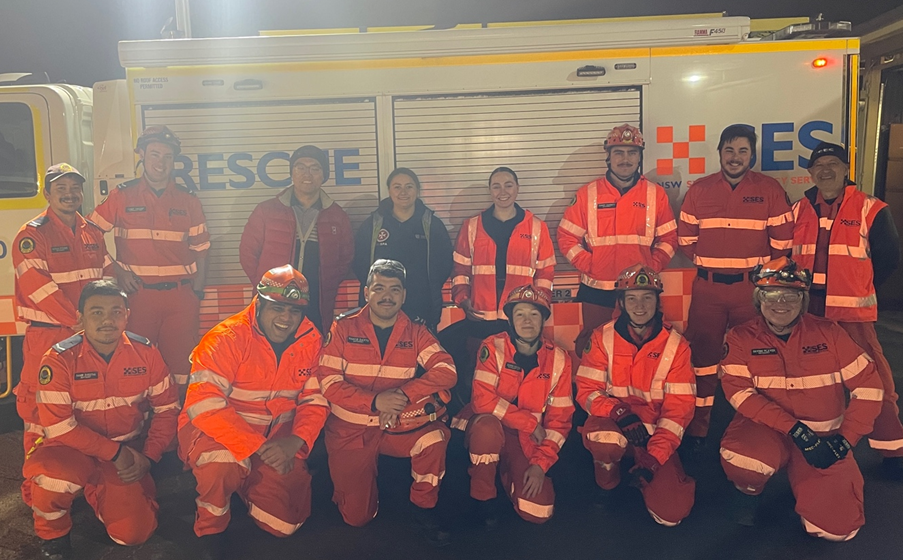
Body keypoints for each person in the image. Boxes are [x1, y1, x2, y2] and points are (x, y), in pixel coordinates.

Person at [720, 257, 883, 541]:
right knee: (746, 461)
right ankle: (748, 493)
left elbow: (869, 387)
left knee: (839, 530)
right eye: (771, 294)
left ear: (803, 299)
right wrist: (795, 429)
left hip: (825, 438)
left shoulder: (829, 333)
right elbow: (739, 394)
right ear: (759, 299)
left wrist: (845, 440)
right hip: (769, 431)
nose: (780, 303)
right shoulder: (739, 338)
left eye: (790, 295)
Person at [179, 265, 328, 558]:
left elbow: (315, 400)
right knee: (219, 465)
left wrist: (296, 442)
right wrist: (257, 448)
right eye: (278, 308)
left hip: (278, 438)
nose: (286, 318)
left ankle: (246, 483)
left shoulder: (312, 340)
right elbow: (204, 405)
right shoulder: (225, 338)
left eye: (294, 311)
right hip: (217, 434)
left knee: (285, 525)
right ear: (258, 302)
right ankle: (211, 526)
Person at [25, 280, 179, 559]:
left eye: (116, 311)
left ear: (127, 315)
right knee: (51, 478)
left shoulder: (148, 354)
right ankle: (53, 535)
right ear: (80, 318)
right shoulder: (59, 359)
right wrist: (116, 453)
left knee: (134, 534)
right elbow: (59, 427)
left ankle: (100, 491)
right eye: (96, 312)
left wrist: (150, 457)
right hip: (70, 450)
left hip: (126, 450)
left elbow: (167, 409)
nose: (107, 319)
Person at [317, 259, 456, 546]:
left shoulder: (416, 330)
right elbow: (328, 383)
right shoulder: (343, 327)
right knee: (357, 518)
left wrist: (405, 395)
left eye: (394, 289)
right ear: (366, 292)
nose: (387, 296)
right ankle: (360, 487)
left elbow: (447, 371)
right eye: (379, 288)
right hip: (350, 432)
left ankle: (424, 506)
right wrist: (375, 401)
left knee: (434, 438)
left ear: (403, 295)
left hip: (396, 425)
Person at [677, 124, 794, 451]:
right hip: (708, 291)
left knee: (758, 357)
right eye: (729, 150)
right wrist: (713, 262)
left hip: (751, 293)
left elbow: (783, 246)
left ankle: (757, 425)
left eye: (743, 150)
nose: (735, 157)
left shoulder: (770, 190)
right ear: (719, 153)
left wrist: (758, 277)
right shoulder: (699, 190)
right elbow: (686, 241)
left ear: (752, 155)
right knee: (702, 358)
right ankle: (699, 427)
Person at [792, 142, 903, 478]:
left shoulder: (871, 208)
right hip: (808, 314)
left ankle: (893, 450)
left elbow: (888, 259)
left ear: (845, 170)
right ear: (810, 173)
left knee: (875, 383)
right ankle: (813, 444)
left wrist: (859, 286)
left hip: (853, 317)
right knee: (811, 382)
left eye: (833, 164)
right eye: (819, 165)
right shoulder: (798, 210)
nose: (825, 171)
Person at [88, 125, 210, 393]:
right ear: (141, 154)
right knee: (137, 365)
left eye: (167, 157)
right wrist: (117, 271)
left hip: (181, 298)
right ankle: (141, 428)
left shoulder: (188, 200)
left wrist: (197, 290)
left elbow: (201, 248)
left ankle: (178, 428)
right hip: (137, 298)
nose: (161, 163)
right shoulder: (122, 195)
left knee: (182, 368)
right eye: (154, 154)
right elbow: (88, 236)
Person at [576, 265, 696, 526]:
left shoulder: (677, 346)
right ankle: (607, 485)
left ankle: (644, 473)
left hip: (654, 436)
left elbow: (679, 411)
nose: (639, 306)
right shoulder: (600, 339)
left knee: (673, 514)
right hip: (614, 426)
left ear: (657, 301)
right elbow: (586, 391)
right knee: (603, 439)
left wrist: (654, 458)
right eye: (631, 298)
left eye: (647, 297)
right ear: (620, 302)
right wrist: (618, 412)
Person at [12, 164, 113, 467]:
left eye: (74, 188)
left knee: (83, 401)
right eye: (61, 189)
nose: (69, 195)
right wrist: (81, 321)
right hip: (50, 334)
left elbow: (106, 276)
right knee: (38, 407)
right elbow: (38, 286)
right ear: (47, 194)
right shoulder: (31, 234)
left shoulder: (92, 232)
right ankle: (38, 481)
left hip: (86, 333)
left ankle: (86, 470)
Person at [454, 285, 573, 526]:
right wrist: (529, 422)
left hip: (526, 440)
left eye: (534, 314)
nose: (527, 321)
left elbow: (559, 421)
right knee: (487, 429)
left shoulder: (559, 358)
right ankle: (483, 497)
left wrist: (540, 465)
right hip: (486, 427)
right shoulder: (493, 346)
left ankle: (506, 473)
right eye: (520, 314)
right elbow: (482, 400)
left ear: (543, 320)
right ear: (510, 319)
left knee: (539, 511)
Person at [558, 124, 678, 357]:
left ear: (640, 156)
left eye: (632, 153)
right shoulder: (587, 194)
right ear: (608, 156)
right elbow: (566, 236)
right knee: (592, 348)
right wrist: (590, 264)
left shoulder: (655, 194)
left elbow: (669, 238)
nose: (626, 159)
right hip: (597, 289)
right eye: (619, 153)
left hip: (640, 289)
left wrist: (651, 267)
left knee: (639, 348)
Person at [442, 166, 556, 409]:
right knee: (476, 373)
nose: (502, 191)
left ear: (517, 188)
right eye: (496, 186)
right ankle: (476, 420)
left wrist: (539, 306)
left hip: (517, 318)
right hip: (479, 316)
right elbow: (460, 270)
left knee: (514, 374)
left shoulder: (536, 227)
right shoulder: (471, 226)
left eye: (508, 185)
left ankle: (512, 419)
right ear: (489, 191)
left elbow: (546, 271)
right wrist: (463, 299)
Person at [240, 145, 354, 333]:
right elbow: (247, 253)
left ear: (323, 175)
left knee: (312, 349)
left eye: (315, 168)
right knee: (269, 348)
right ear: (292, 173)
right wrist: (265, 286)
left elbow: (346, 257)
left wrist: (328, 284)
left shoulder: (336, 215)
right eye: (300, 167)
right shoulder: (266, 210)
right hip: (273, 300)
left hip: (316, 301)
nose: (307, 174)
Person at [353, 167, 453, 330]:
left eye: (409, 186)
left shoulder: (432, 225)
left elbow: (444, 264)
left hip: (421, 305)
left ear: (417, 191)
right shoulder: (373, 224)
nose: (403, 192)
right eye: (397, 187)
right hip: (381, 305)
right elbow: (359, 262)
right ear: (389, 190)